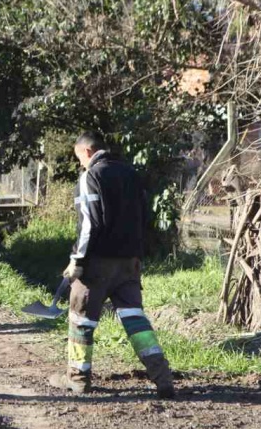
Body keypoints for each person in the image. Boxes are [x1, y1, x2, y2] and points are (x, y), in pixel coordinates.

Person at [51, 131, 176, 399]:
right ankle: (162, 377)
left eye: (79, 159)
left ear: (86, 152)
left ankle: (78, 379)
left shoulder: (91, 176)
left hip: (97, 265)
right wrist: (136, 254)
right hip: (129, 263)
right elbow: (145, 216)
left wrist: (76, 260)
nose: (81, 165)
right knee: (135, 320)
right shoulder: (131, 174)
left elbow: (88, 224)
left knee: (81, 320)